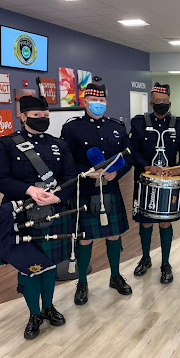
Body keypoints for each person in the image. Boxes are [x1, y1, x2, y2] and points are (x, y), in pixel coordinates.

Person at [0, 96, 77, 339]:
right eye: (37, 116)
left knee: (48, 264)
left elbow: (71, 176)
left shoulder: (59, 144)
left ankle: (48, 307)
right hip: (21, 212)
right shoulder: (7, 144)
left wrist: (58, 198)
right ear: (23, 116)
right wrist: (29, 190)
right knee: (29, 266)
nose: (42, 120)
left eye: (46, 116)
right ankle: (34, 314)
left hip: (52, 212)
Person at [61, 83, 133, 305]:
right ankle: (82, 282)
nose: (98, 104)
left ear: (106, 103)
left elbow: (128, 157)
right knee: (85, 238)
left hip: (110, 188)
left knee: (114, 235)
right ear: (84, 102)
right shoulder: (72, 128)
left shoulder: (118, 127)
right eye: (94, 101)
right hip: (84, 190)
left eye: (102, 101)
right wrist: (85, 172)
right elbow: (65, 161)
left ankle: (115, 276)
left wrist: (117, 173)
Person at [130, 83, 180, 283]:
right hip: (145, 179)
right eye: (157, 101)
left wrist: (179, 168)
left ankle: (165, 262)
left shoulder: (179, 124)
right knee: (145, 220)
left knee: (165, 221)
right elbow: (133, 151)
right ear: (151, 103)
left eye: (164, 102)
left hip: (169, 181)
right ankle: (146, 258)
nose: (161, 104)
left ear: (170, 103)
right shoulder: (139, 122)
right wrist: (146, 167)